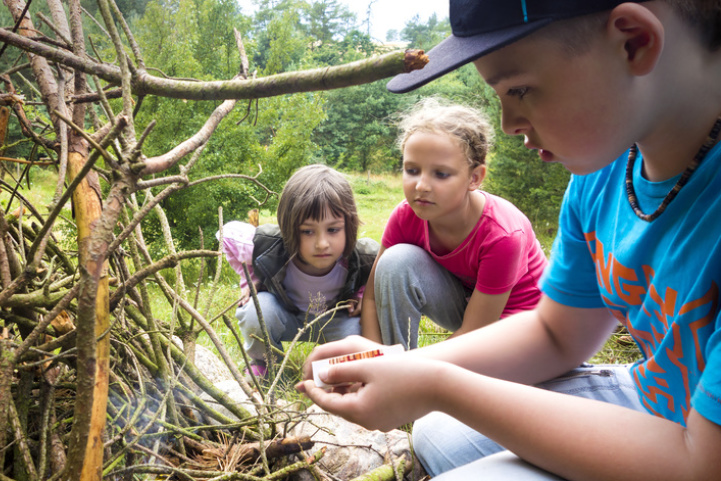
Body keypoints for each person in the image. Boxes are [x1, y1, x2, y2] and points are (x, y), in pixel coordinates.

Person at [297, 1, 721, 480]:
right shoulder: (604, 174)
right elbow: (556, 333)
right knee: (436, 432)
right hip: (659, 395)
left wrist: (438, 384)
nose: (507, 124)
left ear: (634, 41)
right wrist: (402, 366)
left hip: (699, 448)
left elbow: (702, 464)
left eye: (520, 89)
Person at [359, 99, 547, 349]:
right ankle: (394, 364)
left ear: (474, 178)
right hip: (471, 308)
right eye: (412, 170)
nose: (421, 186)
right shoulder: (406, 216)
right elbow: (370, 298)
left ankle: (404, 375)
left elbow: (474, 333)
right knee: (395, 261)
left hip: (520, 328)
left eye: (441, 174)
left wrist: (408, 372)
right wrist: (373, 358)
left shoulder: (502, 235)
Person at [219, 164, 379, 378]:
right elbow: (226, 235)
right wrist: (250, 279)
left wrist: (362, 294)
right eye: (307, 231)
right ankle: (266, 365)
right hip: (287, 316)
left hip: (336, 320)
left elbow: (382, 273)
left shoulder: (364, 256)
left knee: (362, 331)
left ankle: (337, 371)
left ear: (349, 226)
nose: (322, 243)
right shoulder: (270, 246)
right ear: (288, 228)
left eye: (333, 229)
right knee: (256, 311)